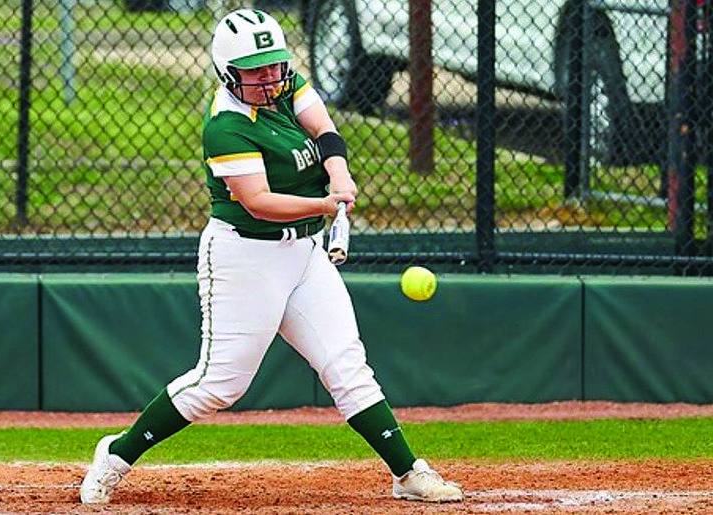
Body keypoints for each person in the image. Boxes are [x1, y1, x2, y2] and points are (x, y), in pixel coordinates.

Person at [80, 8, 463, 504]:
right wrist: (327, 204)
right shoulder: (226, 128)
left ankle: (407, 472)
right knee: (219, 385)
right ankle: (115, 455)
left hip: (302, 254)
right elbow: (260, 201)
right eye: (256, 70)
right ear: (228, 73)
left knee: (347, 365)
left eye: (274, 64)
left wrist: (339, 172)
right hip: (245, 258)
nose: (269, 77)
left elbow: (323, 126)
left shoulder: (283, 86)